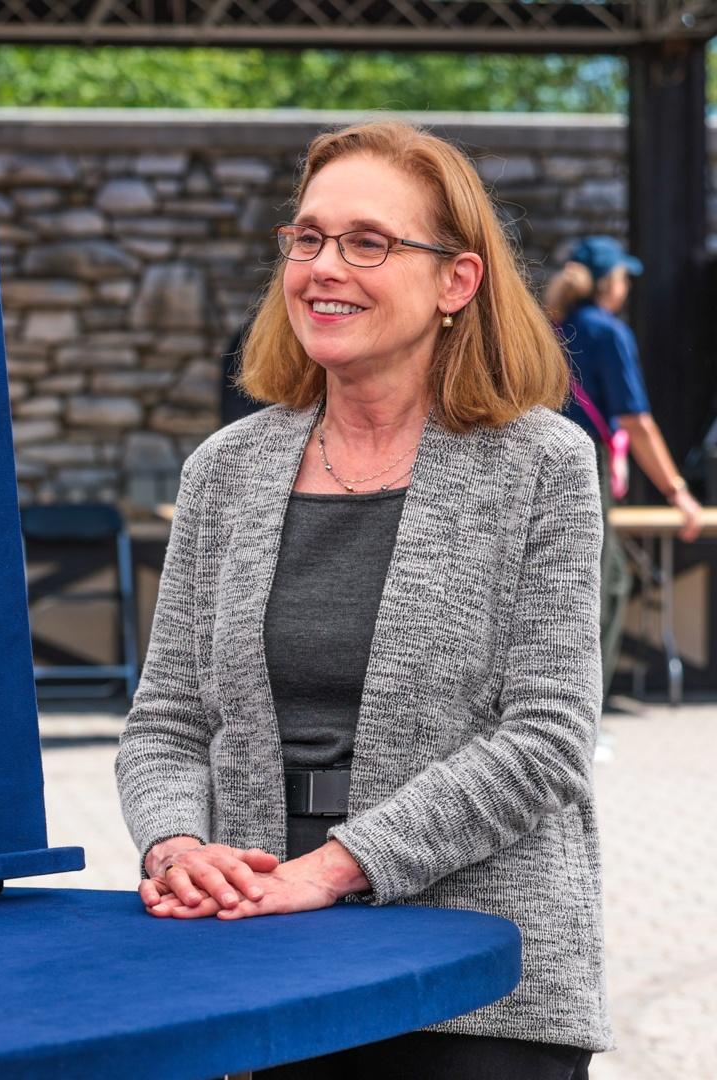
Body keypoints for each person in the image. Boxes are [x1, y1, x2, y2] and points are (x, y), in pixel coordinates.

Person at [116, 120, 607, 1077]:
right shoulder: (224, 470)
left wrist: (335, 869)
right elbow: (166, 722)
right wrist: (177, 848)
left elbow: (549, 739)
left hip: (475, 980)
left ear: (456, 281)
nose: (323, 268)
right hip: (260, 958)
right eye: (307, 238)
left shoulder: (542, 464)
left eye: (368, 242)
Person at [544, 235, 703, 697]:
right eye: (622, 277)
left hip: (544, 455)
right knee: (602, 583)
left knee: (586, 580)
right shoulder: (608, 332)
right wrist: (678, 492)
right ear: (606, 283)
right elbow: (637, 423)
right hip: (584, 461)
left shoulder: (552, 326)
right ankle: (582, 711)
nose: (627, 287)